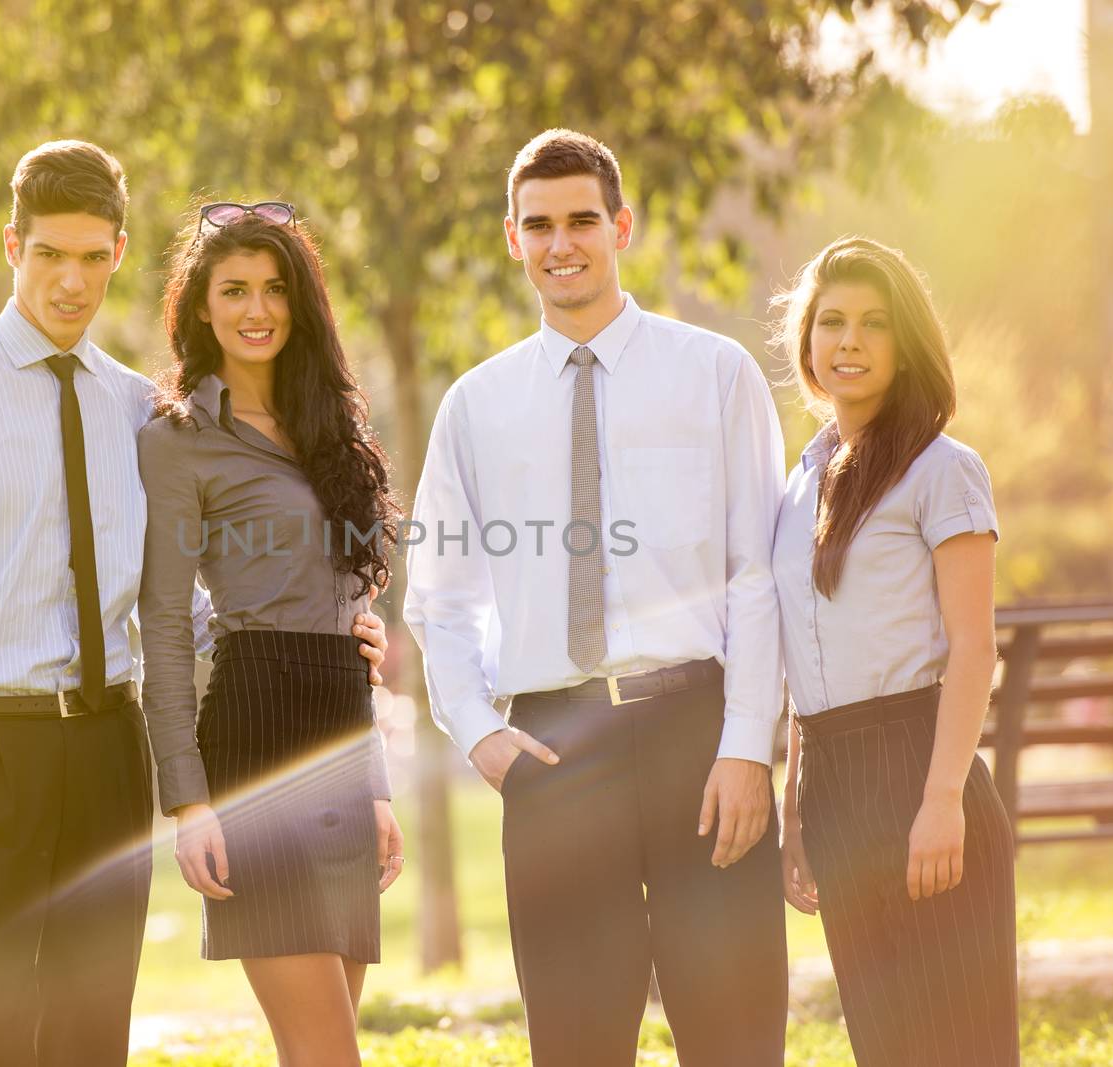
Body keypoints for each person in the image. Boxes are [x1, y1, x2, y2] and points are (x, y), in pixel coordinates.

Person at [0, 145, 389, 1067]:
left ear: (121, 254)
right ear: (13, 245)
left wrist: (321, 630)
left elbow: (175, 604)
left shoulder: (143, 412)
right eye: (50, 253)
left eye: (94, 258)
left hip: (107, 751)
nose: (71, 281)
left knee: (91, 1038)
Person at [403, 128, 789, 1066]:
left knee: (735, 1033)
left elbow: (759, 574)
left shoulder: (714, 373)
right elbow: (438, 597)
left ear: (622, 225)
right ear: (512, 237)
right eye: (539, 224)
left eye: (582, 219)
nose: (561, 243)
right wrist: (480, 734)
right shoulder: (475, 406)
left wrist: (748, 746)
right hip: (553, 750)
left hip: (697, 737)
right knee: (574, 1042)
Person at [138, 204, 404, 1067]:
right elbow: (168, 629)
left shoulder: (333, 431)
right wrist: (188, 801)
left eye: (275, 288)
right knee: (329, 1053)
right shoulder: (179, 442)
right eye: (235, 289)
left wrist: (376, 782)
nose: (258, 308)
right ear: (200, 308)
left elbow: (352, 622)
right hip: (253, 728)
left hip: (339, 722)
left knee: (322, 1052)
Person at [773, 236, 1018, 1066]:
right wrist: (795, 809)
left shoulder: (943, 470)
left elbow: (974, 648)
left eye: (875, 323)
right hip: (834, 784)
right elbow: (808, 653)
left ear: (905, 340)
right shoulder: (800, 482)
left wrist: (942, 797)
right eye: (832, 321)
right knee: (886, 1045)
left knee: (959, 1043)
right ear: (806, 340)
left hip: (919, 767)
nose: (849, 341)